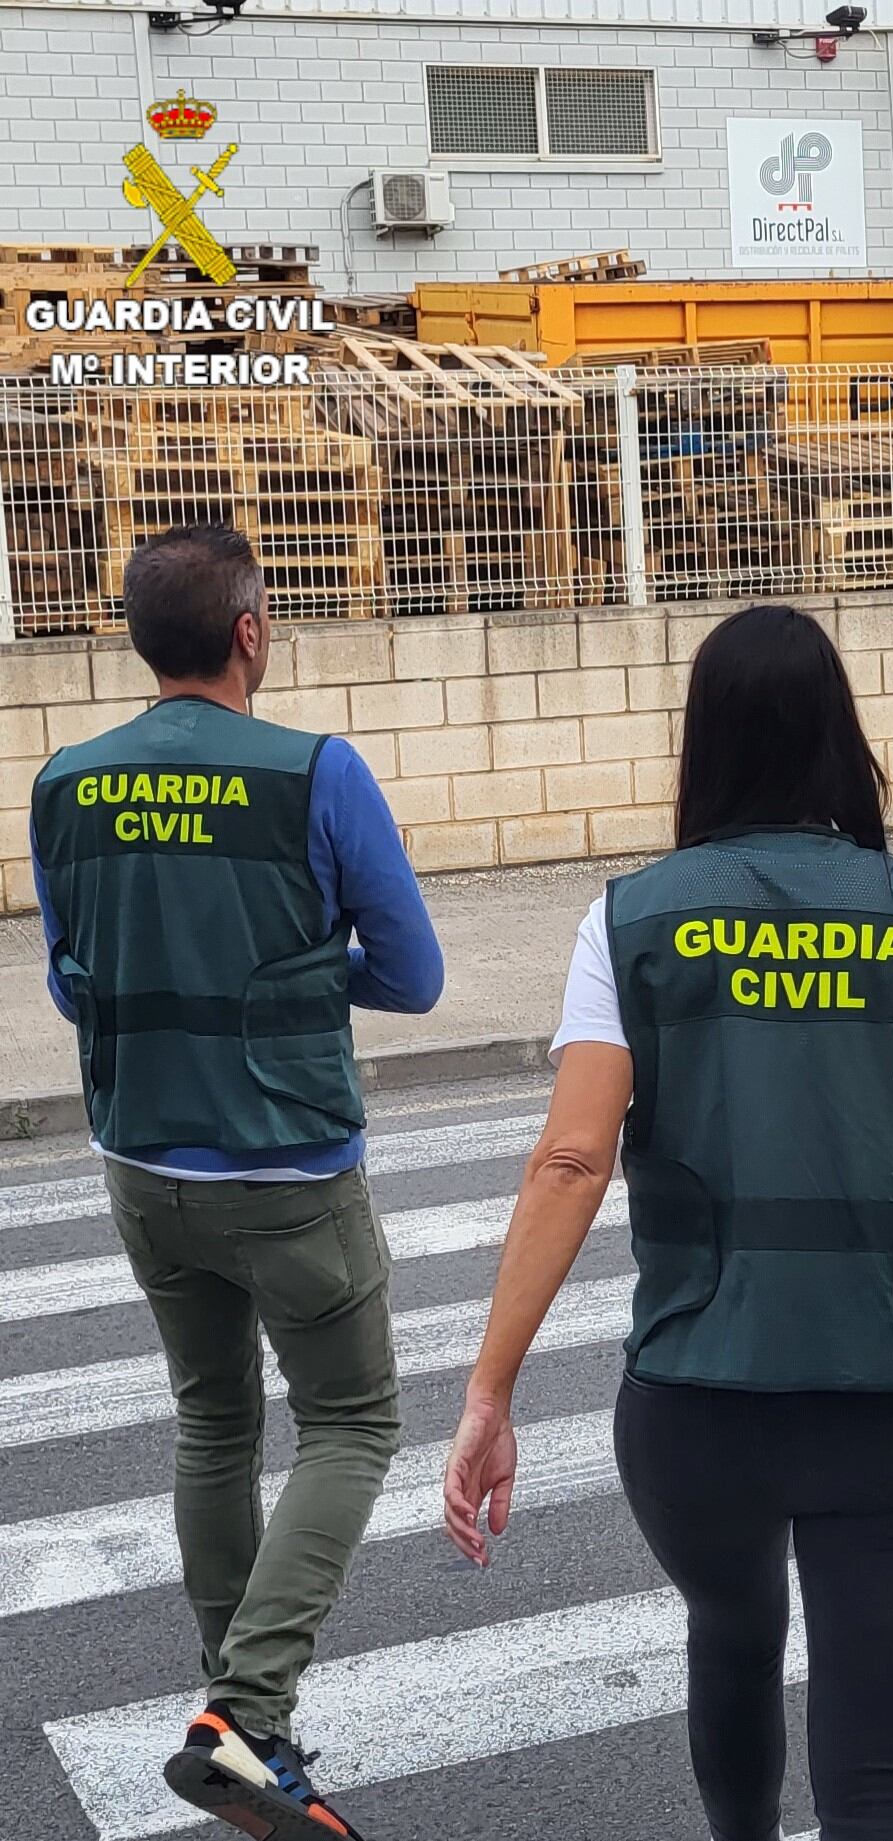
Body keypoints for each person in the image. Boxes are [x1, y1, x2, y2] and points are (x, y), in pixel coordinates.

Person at [441, 604, 893, 1841]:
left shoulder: (630, 920)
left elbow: (572, 1159)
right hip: (891, 1401)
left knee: (731, 1630)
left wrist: (490, 1392)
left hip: (695, 1404)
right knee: (879, 1775)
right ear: (843, 739)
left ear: (703, 746)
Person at [28, 524, 443, 1840]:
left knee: (213, 1424)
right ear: (251, 633)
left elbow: (72, 983)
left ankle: (241, 1725)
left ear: (139, 639)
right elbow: (415, 972)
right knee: (353, 1423)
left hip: (141, 1160)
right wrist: (301, 971)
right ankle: (247, 1716)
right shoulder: (316, 773)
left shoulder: (64, 782)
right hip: (288, 1166)